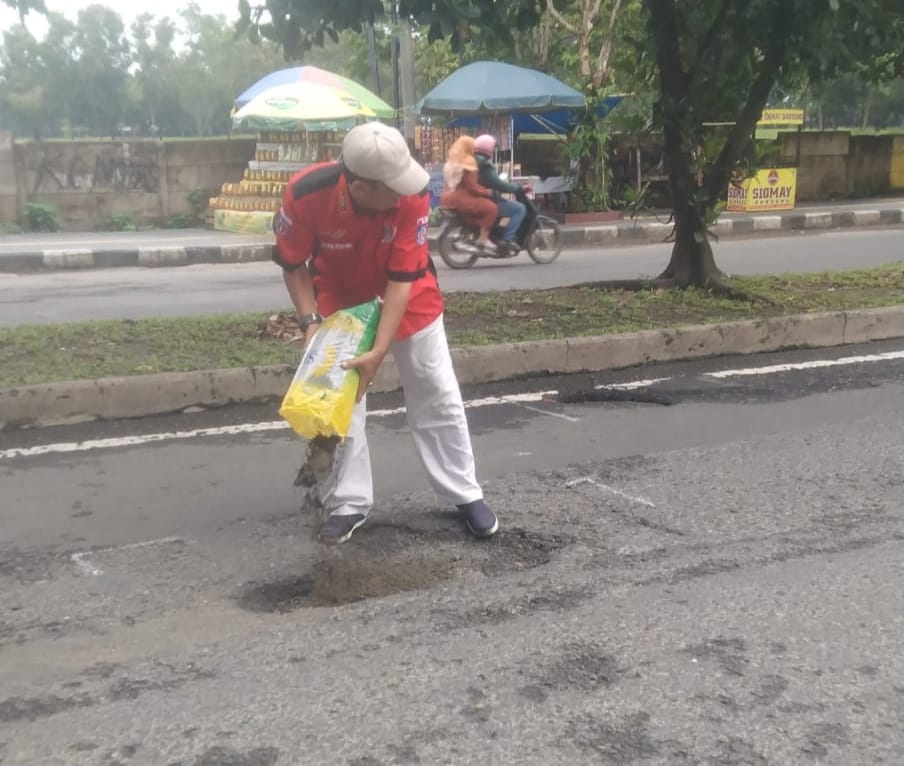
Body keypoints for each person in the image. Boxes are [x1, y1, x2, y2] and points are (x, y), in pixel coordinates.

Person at [272, 121, 498, 545]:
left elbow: (401, 279)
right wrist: (310, 323)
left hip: (409, 294)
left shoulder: (411, 194)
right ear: (358, 185)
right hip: (340, 297)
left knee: (434, 385)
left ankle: (464, 492)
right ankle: (349, 502)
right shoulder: (305, 196)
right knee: (343, 396)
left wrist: (378, 351)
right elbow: (292, 263)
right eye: (390, 185)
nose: (404, 190)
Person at [439, 135, 498, 251]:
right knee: (492, 208)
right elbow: (472, 186)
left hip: (447, 197)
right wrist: (487, 192)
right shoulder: (469, 161)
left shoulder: (452, 161)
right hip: (460, 198)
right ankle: (483, 238)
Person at [474, 134, 527, 252]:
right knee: (520, 208)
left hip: (480, 198)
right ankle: (507, 240)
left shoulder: (475, 162)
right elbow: (499, 185)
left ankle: (496, 236)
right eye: (493, 148)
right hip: (488, 201)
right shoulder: (485, 166)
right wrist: (517, 188)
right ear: (488, 149)